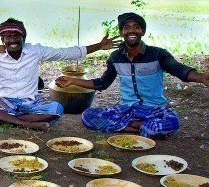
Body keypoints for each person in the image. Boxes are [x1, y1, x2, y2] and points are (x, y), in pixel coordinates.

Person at [0, 18, 118, 130]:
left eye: (17, 36)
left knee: (57, 108)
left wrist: (99, 47)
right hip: (4, 101)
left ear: (23, 37)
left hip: (30, 102)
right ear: (3, 39)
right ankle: (27, 123)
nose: (13, 40)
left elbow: (65, 52)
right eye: (8, 37)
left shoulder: (35, 51)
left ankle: (12, 120)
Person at [56, 12, 209, 137]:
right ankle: (139, 128)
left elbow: (179, 69)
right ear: (122, 32)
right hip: (127, 110)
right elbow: (102, 83)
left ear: (142, 31)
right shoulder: (115, 58)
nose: (131, 30)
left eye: (136, 27)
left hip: (154, 110)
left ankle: (126, 127)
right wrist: (72, 81)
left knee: (173, 122)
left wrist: (201, 77)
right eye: (127, 27)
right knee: (88, 115)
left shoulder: (157, 54)